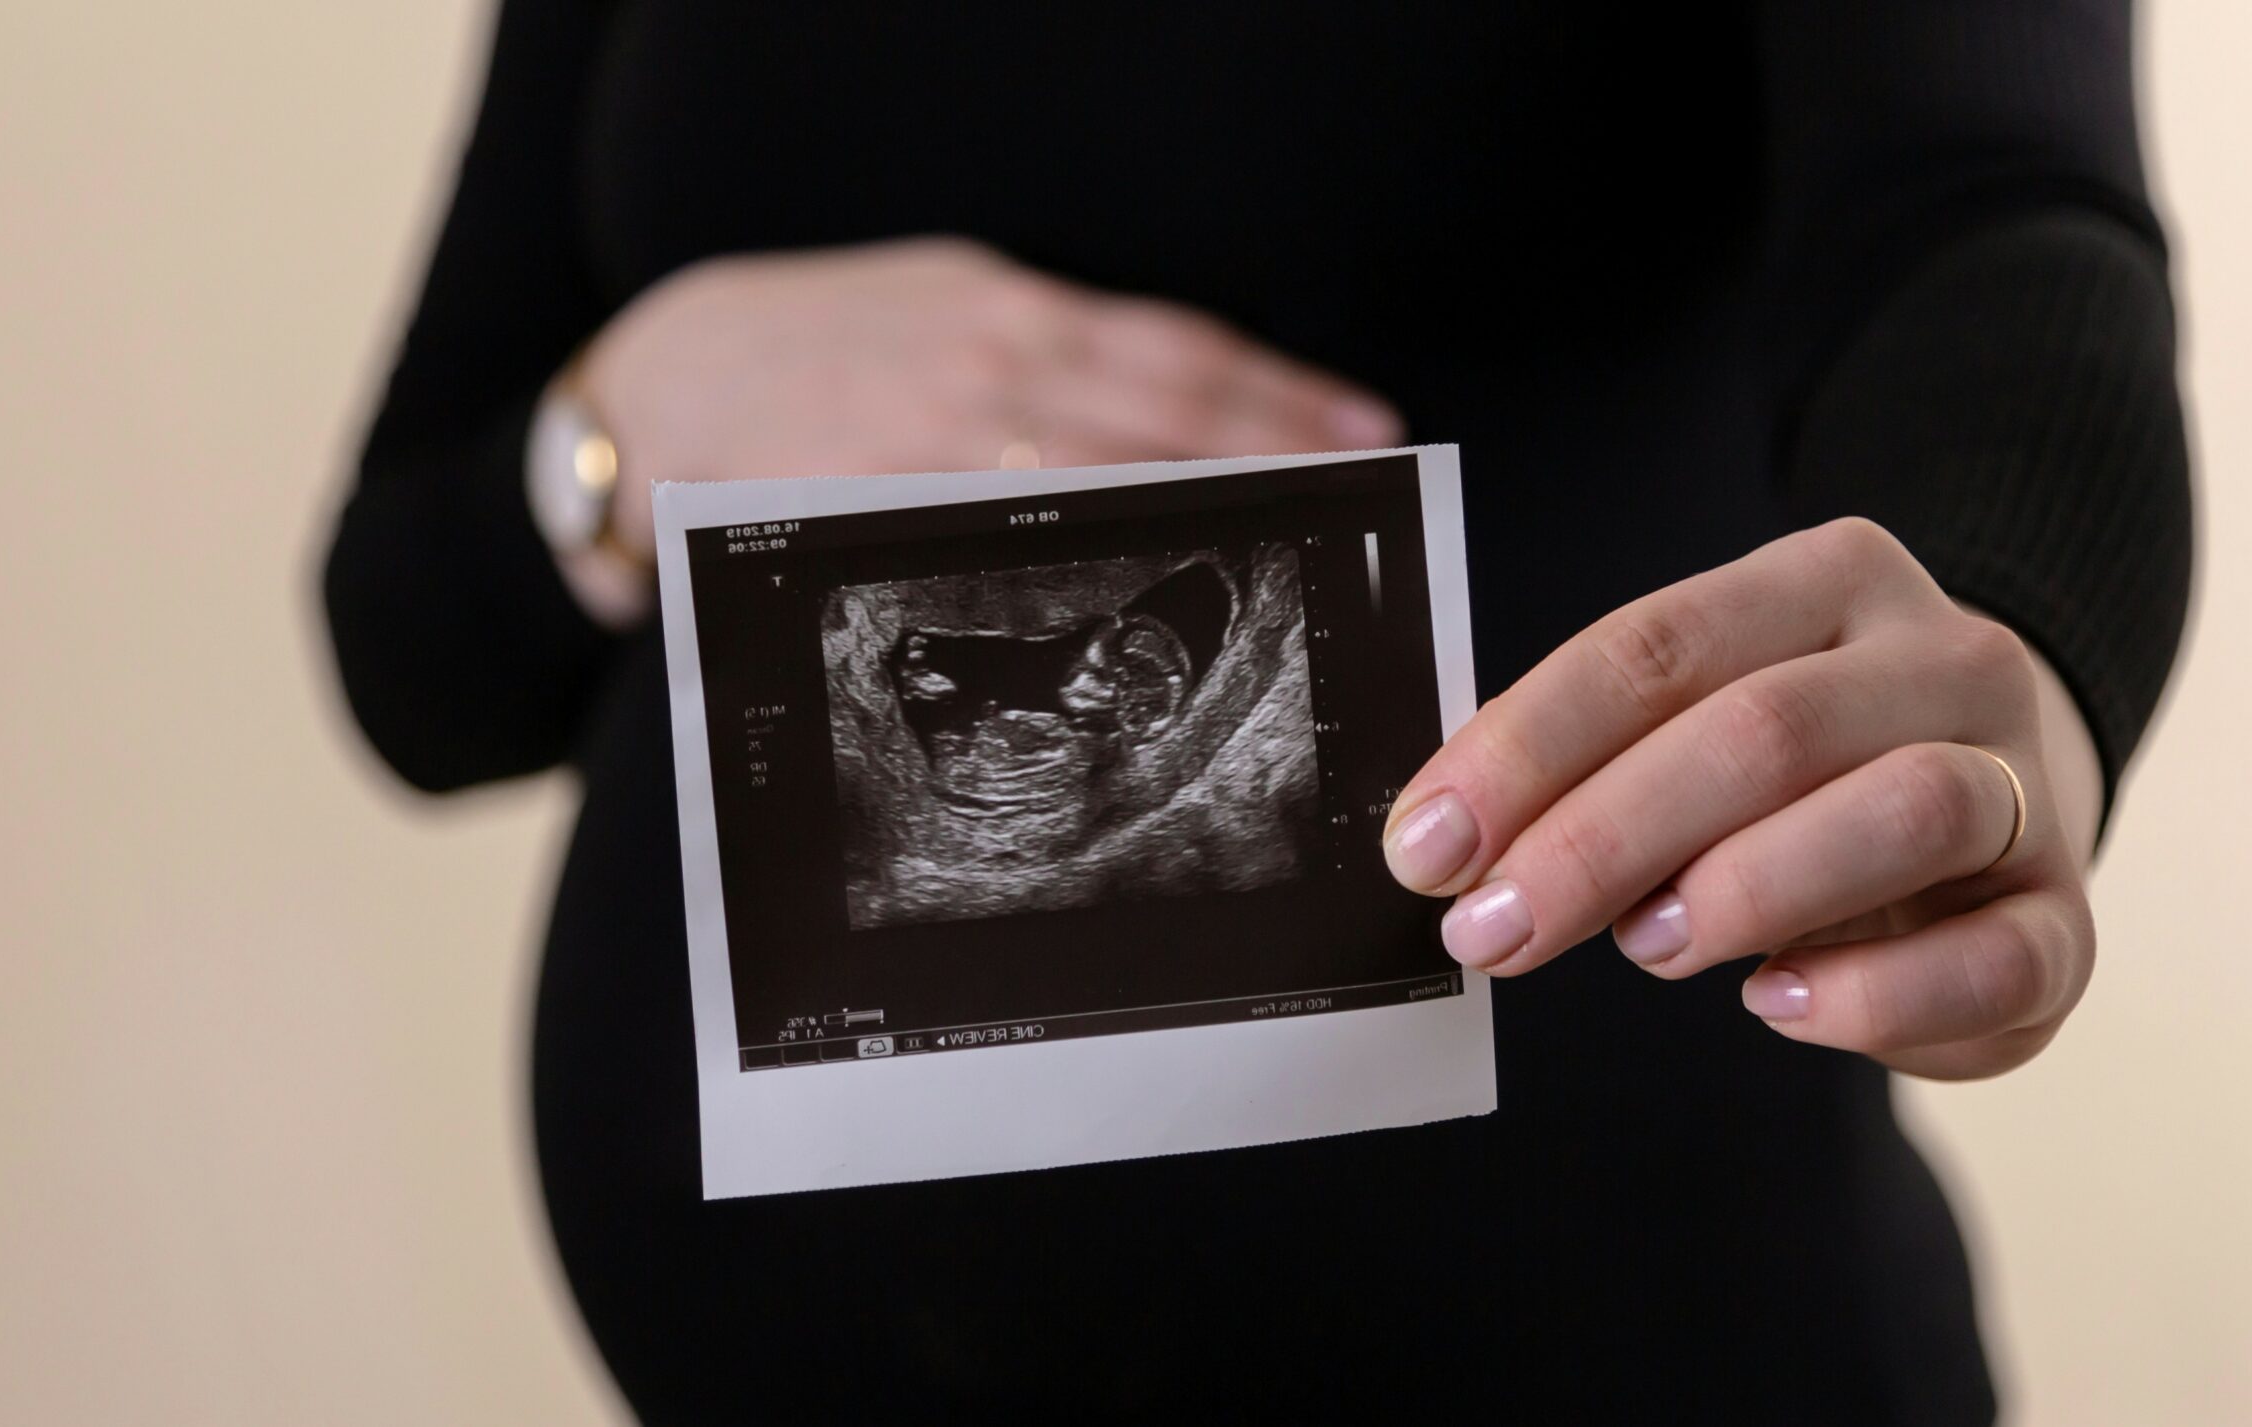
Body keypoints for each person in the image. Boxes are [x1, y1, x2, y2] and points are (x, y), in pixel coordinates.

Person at [321, 3, 2192, 1421]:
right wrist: (617, 428)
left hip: (1614, 1334)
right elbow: (411, 649)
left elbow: (1995, 227)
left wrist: (2009, 645)